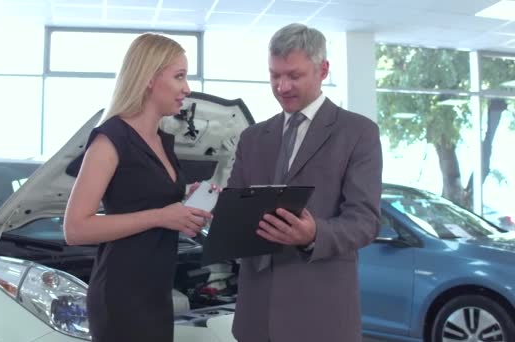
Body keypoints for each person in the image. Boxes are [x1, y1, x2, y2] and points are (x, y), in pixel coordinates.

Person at [228, 23, 383, 341]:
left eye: (293, 75)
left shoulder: (358, 134)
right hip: (255, 317)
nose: (282, 86)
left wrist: (315, 233)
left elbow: (366, 221)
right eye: (274, 75)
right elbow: (233, 204)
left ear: (323, 70)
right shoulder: (252, 137)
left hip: (321, 317)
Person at [63, 33, 213, 342]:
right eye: (179, 76)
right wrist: (161, 216)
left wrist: (185, 198)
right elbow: (75, 228)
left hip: (156, 291)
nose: (187, 88)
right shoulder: (110, 138)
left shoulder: (161, 140)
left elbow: (143, 197)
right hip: (121, 296)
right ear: (148, 78)